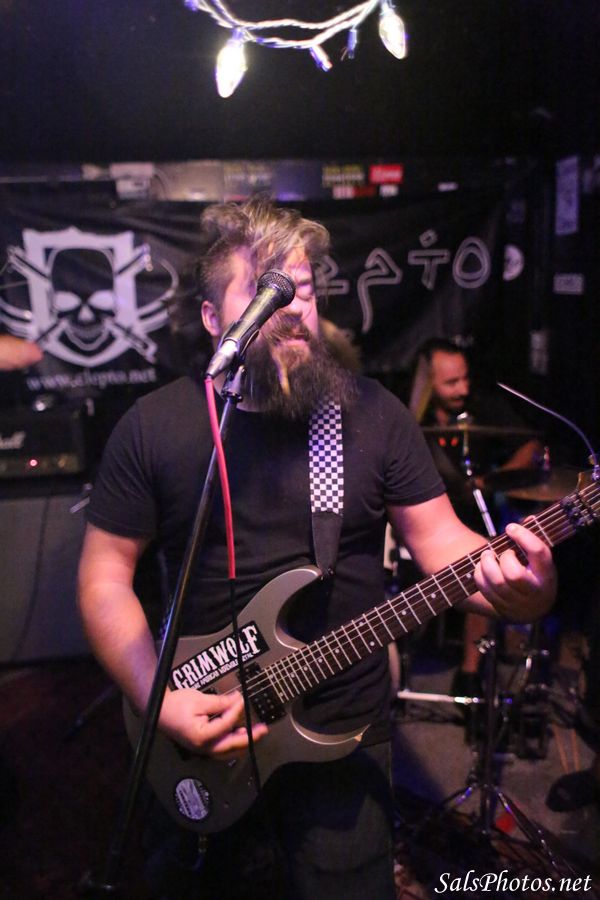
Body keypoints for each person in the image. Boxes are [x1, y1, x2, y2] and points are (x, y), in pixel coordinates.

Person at [77, 197, 557, 900]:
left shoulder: (372, 415)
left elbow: (444, 543)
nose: (293, 307)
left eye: (301, 288)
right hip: (197, 719)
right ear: (212, 318)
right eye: (266, 290)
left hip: (342, 730)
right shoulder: (155, 427)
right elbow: (104, 577)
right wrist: (156, 699)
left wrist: (522, 589)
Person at [408, 338, 544, 700]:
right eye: (451, 382)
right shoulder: (407, 418)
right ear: (429, 381)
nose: (463, 389)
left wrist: (493, 480)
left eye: (465, 378)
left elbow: (530, 445)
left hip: (471, 514)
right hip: (418, 519)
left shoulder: (482, 406)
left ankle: (470, 673)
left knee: (484, 564)